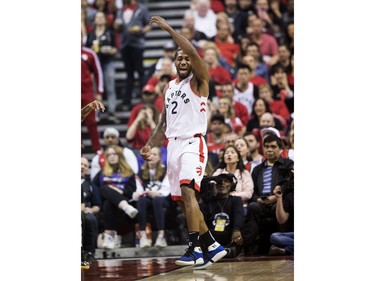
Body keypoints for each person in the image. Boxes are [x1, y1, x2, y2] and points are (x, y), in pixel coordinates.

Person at [140, 16, 227, 270]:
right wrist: (150, 144)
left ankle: (195, 249)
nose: (184, 60)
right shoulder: (169, 87)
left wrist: (169, 30)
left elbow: (190, 49)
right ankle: (211, 244)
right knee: (182, 201)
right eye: (179, 58)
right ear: (174, 63)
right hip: (173, 146)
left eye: (186, 57)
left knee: (190, 194)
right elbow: (162, 123)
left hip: (193, 143)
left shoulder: (200, 80)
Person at [245, 134, 294, 254]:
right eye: (266, 147)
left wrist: (276, 197)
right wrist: (258, 200)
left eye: (273, 146)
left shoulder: (287, 164)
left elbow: (290, 184)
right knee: (253, 207)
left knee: (277, 208)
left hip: (279, 201)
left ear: (280, 149)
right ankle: (251, 249)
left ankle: (279, 245)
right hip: (261, 203)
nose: (269, 150)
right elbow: (253, 191)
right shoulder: (257, 169)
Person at [93, 144, 140, 249]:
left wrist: (119, 191)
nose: (112, 157)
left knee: (108, 201)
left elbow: (131, 191)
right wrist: (111, 191)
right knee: (105, 191)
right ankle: (125, 207)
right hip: (108, 204)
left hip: (123, 202)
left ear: (120, 156)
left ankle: (109, 236)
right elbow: (95, 189)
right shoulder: (102, 173)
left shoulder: (129, 173)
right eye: (109, 155)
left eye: (114, 154)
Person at [114, 0, 151, 107]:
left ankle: (144, 97)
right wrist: (117, 27)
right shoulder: (121, 10)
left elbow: (149, 24)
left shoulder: (141, 8)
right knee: (129, 73)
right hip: (125, 45)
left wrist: (142, 31)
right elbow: (117, 26)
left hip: (137, 44)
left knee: (140, 71)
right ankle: (127, 99)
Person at [86, 11, 120, 123]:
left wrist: (110, 50)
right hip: (94, 65)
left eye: (101, 17)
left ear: (105, 20)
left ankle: (111, 112)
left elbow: (116, 48)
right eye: (97, 17)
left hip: (107, 62)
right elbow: (86, 49)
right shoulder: (91, 34)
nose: (100, 19)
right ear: (94, 20)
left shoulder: (110, 32)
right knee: (95, 89)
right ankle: (96, 113)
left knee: (110, 88)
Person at [137, 146, 171, 248]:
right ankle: (143, 236)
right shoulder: (141, 171)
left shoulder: (166, 170)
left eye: (154, 154)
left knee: (157, 200)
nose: (151, 156)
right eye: (149, 154)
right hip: (147, 198)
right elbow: (139, 189)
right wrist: (144, 193)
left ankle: (161, 236)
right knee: (141, 200)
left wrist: (154, 193)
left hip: (162, 199)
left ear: (160, 157)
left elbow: (165, 190)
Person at [81, 42, 104, 153]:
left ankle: (97, 150)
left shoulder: (89, 53)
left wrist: (99, 91)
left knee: (92, 122)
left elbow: (98, 72)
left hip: (86, 93)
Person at [81, 156, 101, 269]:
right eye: (80, 164)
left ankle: (89, 253)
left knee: (90, 218)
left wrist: (91, 210)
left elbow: (98, 206)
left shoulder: (90, 185)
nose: (82, 167)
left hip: (85, 212)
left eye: (85, 165)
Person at [269, 170, 294, 256]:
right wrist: (279, 198)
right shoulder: (291, 195)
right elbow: (281, 220)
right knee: (275, 237)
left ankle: (287, 250)